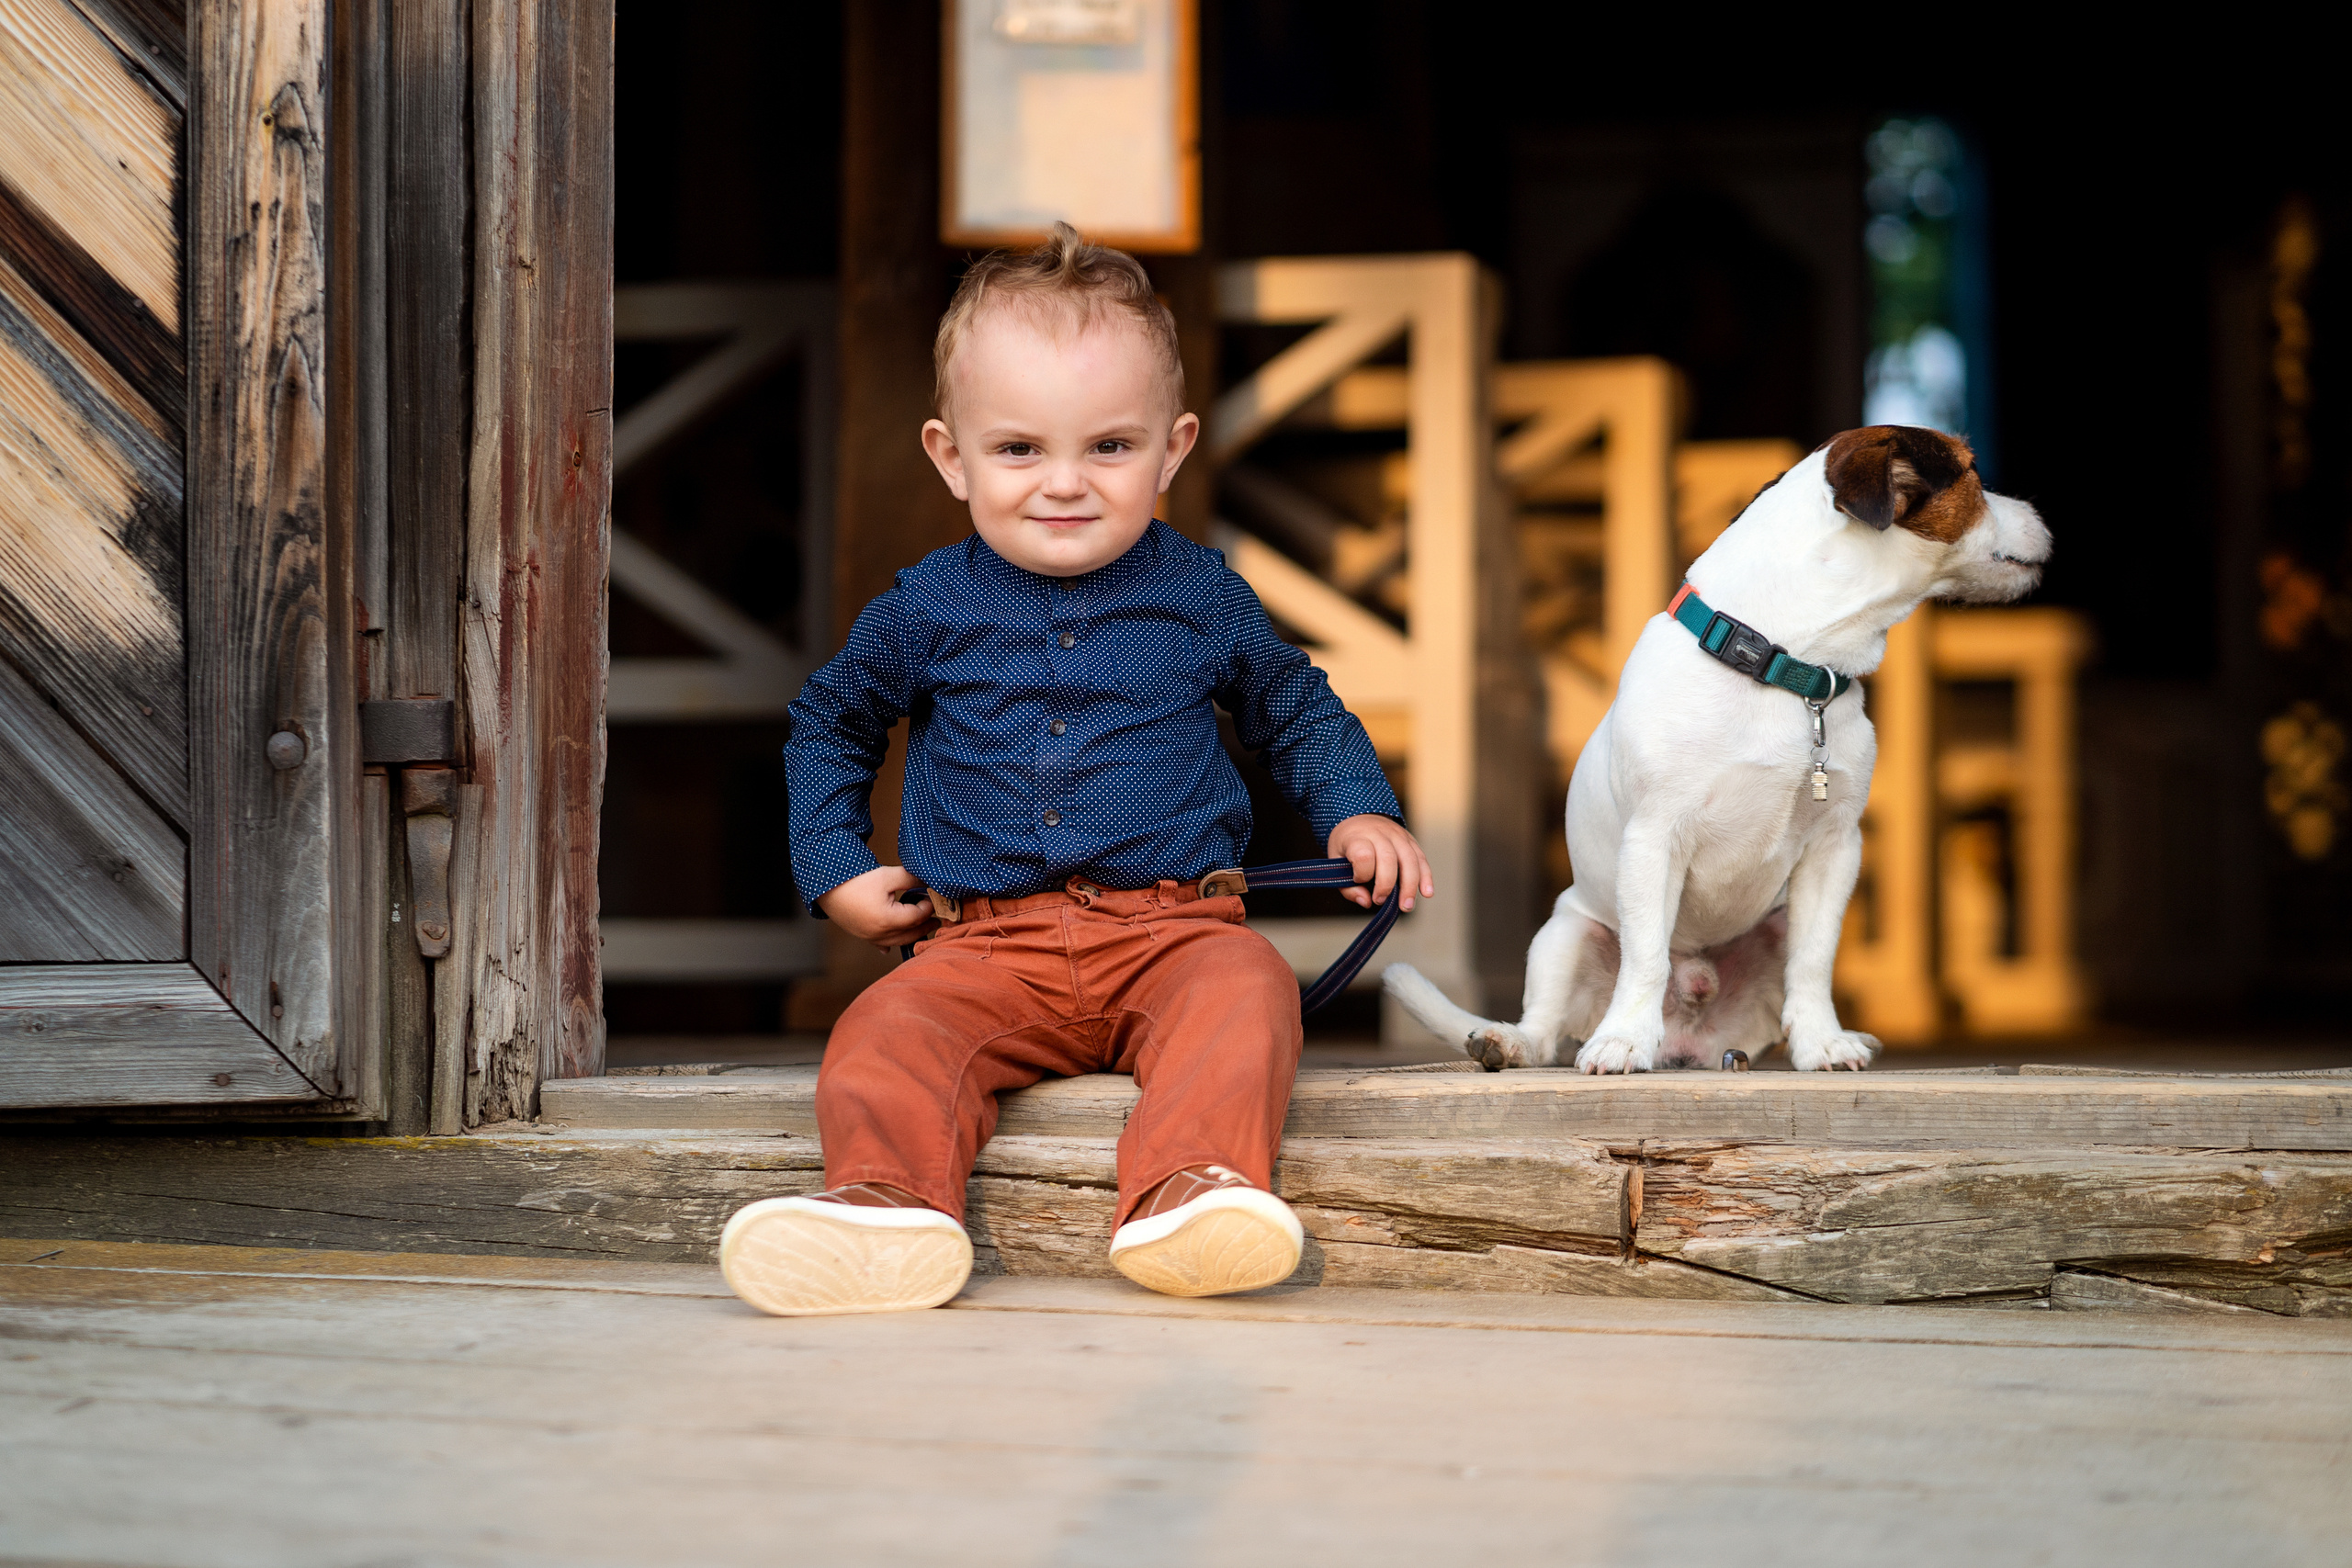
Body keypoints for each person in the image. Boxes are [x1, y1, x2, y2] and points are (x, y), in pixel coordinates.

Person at [719, 222, 1433, 1316]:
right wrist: (834, 863)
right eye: (1018, 450)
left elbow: (1293, 709)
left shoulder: (1202, 595)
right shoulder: (924, 609)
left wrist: (1357, 812)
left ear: (1173, 448)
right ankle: (884, 1209)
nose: (1065, 484)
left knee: (1249, 998)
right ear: (950, 457)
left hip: (1173, 931)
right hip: (980, 946)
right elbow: (831, 722)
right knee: (884, 1033)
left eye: (1109, 447)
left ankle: (1191, 1194)